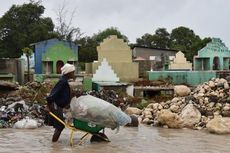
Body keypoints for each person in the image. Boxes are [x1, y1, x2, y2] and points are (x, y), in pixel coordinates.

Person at [45, 63, 75, 142]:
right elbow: (52, 94)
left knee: (59, 126)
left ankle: (54, 145)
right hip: (55, 105)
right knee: (60, 126)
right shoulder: (62, 82)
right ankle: (54, 146)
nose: (73, 74)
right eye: (73, 72)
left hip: (58, 106)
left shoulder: (64, 81)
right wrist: (47, 106)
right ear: (68, 73)